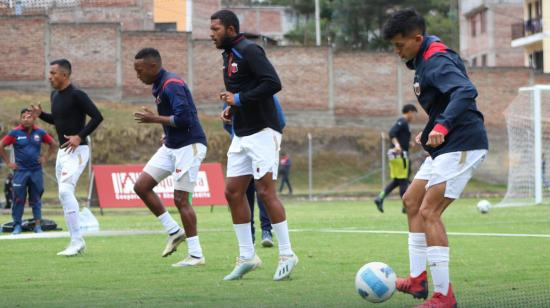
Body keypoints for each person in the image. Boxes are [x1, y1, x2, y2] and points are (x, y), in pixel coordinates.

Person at [382, 9, 488, 307]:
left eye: (400, 45)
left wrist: (441, 126)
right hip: (446, 145)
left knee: (429, 210)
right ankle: (418, 280)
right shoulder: (425, 57)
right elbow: (444, 101)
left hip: (463, 143)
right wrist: (430, 129)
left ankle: (445, 297)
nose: (397, 50)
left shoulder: (436, 59)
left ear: (417, 38)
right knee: (411, 201)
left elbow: (465, 91)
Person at [211, 9, 298, 281]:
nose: (211, 34)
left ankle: (287, 253)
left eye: (215, 29)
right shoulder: (227, 56)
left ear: (231, 30)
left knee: (265, 191)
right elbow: (242, 94)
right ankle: (247, 256)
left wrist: (238, 100)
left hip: (263, 131)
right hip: (242, 132)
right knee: (233, 192)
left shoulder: (250, 50)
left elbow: (273, 83)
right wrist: (232, 109)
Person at [132, 48, 208, 267]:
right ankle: (174, 231)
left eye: (140, 70)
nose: (138, 75)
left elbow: (184, 119)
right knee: (141, 186)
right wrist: (166, 134)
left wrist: (154, 119)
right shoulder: (158, 84)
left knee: (181, 199)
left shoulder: (171, 84)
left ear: (153, 66)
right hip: (172, 146)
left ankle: (196, 255)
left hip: (189, 145)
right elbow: (174, 118)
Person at [31, 59, 104, 256]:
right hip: (64, 153)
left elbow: (97, 116)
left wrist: (79, 136)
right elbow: (58, 119)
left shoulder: (77, 95)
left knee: (64, 191)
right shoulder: (54, 95)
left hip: (78, 150)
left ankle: (77, 241)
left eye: (53, 73)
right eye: (50, 73)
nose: (50, 77)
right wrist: (42, 115)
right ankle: (75, 240)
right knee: (66, 196)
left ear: (65, 75)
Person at [222, 95, 286, 248]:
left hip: (260, 147)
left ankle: (267, 231)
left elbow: (281, 121)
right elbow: (227, 123)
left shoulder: (265, 92)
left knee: (264, 192)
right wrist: (235, 133)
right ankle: (248, 237)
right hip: (240, 147)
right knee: (239, 193)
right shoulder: (230, 96)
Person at [0, 109, 57, 234]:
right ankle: (17, 225)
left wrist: (45, 157)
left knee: (36, 199)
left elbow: (53, 144)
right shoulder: (15, 133)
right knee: (18, 199)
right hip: (20, 172)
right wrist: (9, 163)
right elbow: (1, 145)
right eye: (24, 117)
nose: (26, 119)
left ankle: (37, 226)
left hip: (36, 171)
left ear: (33, 119)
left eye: (29, 117)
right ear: (21, 119)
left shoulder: (40, 132)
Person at [374, 104, 418, 213]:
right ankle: (406, 205)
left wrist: (408, 144)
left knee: (399, 180)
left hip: (401, 155)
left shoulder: (405, 124)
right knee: (403, 180)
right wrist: (397, 145)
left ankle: (380, 197)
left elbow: (399, 137)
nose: (414, 117)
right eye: (414, 114)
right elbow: (392, 133)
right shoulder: (402, 121)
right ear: (409, 112)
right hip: (399, 156)